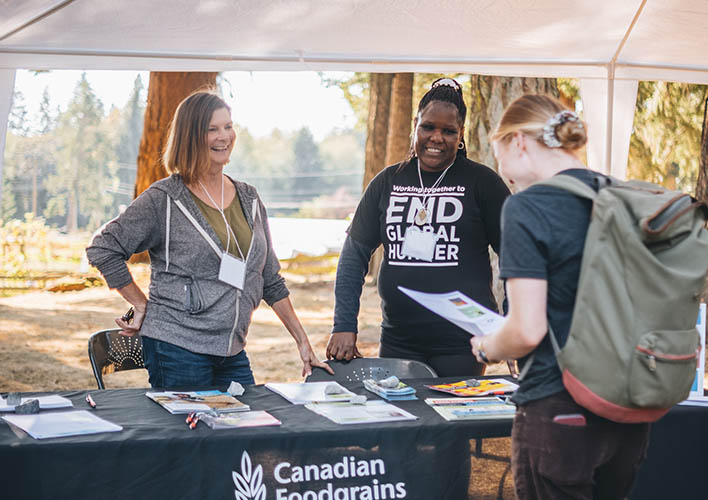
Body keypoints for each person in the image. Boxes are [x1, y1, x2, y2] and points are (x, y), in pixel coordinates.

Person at [86, 90, 332, 388]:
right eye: (212, 129)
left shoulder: (249, 198)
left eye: (228, 126)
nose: (224, 136)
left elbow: (270, 278)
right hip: (177, 347)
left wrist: (302, 342)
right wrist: (140, 304)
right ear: (190, 137)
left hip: (231, 350)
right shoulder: (164, 199)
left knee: (243, 429)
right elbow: (103, 248)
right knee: (193, 434)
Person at [470, 94, 650, 500]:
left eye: (500, 157)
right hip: (629, 408)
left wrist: (486, 346)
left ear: (518, 142)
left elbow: (527, 330)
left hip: (559, 407)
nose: (504, 174)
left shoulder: (527, 208)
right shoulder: (624, 198)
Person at [328, 77, 511, 376]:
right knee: (399, 422)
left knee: (453, 422)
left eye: (448, 131)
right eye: (428, 127)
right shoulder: (387, 181)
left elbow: (516, 255)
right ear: (415, 124)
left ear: (461, 133)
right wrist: (344, 324)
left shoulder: (483, 183)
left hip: (463, 345)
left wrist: (511, 324)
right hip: (398, 341)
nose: (437, 137)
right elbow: (353, 256)